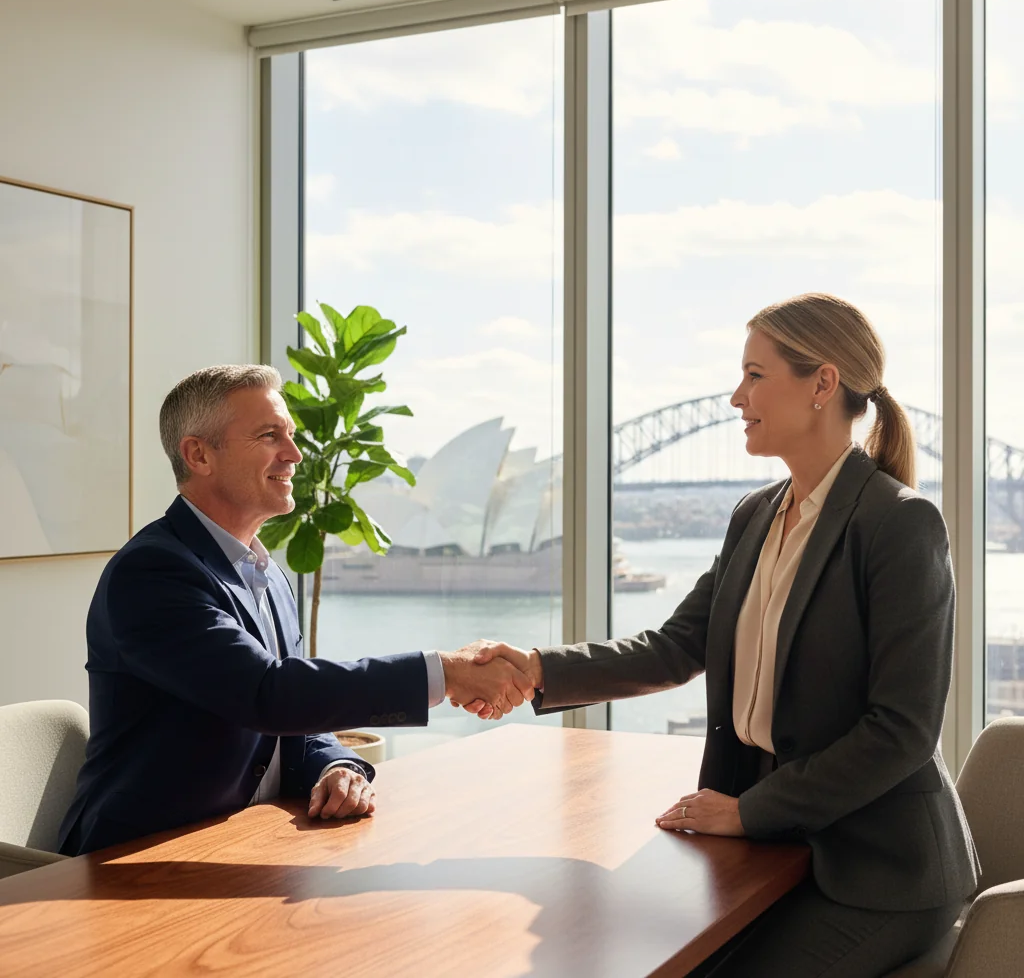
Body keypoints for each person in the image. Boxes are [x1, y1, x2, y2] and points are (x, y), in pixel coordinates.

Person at [456, 294, 980, 977]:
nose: (737, 397)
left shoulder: (899, 524)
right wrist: (536, 667)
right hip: (781, 844)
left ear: (823, 384)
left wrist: (751, 812)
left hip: (880, 870)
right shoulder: (756, 516)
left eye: (756, 375)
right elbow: (678, 646)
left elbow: (902, 732)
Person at [59, 365, 532, 856]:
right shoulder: (152, 573)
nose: (295, 454)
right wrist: (446, 674)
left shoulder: (266, 572)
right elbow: (269, 693)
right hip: (138, 860)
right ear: (199, 454)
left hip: (249, 846)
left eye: (291, 434)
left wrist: (336, 766)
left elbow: (298, 719)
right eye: (269, 436)